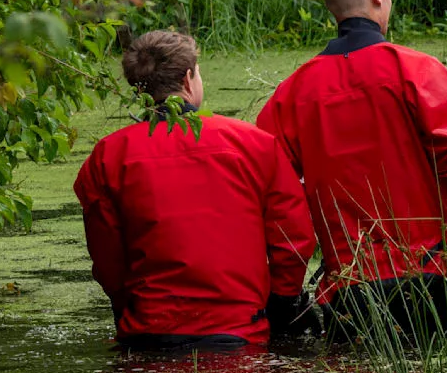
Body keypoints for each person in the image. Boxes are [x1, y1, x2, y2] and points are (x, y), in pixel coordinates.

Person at [256, 0, 447, 340]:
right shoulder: (417, 71)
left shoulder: (292, 95)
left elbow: (278, 204)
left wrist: (284, 300)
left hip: (348, 298)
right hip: (430, 286)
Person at [74, 31, 319, 351]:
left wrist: (126, 308)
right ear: (189, 79)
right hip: (237, 333)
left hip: (149, 334)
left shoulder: (107, 158)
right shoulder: (255, 145)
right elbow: (293, 240)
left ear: (138, 90)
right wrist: (283, 304)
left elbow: (108, 260)